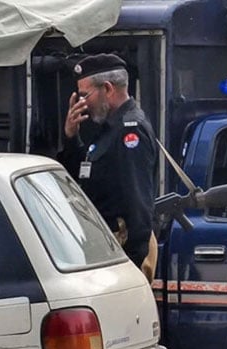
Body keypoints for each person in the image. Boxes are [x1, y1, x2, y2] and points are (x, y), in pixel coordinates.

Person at [58, 53, 158, 276]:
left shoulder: (130, 131)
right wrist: (71, 137)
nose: (81, 103)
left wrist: (131, 266)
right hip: (105, 246)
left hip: (121, 251)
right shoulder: (108, 129)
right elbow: (80, 179)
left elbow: (138, 204)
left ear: (108, 89)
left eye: (85, 95)